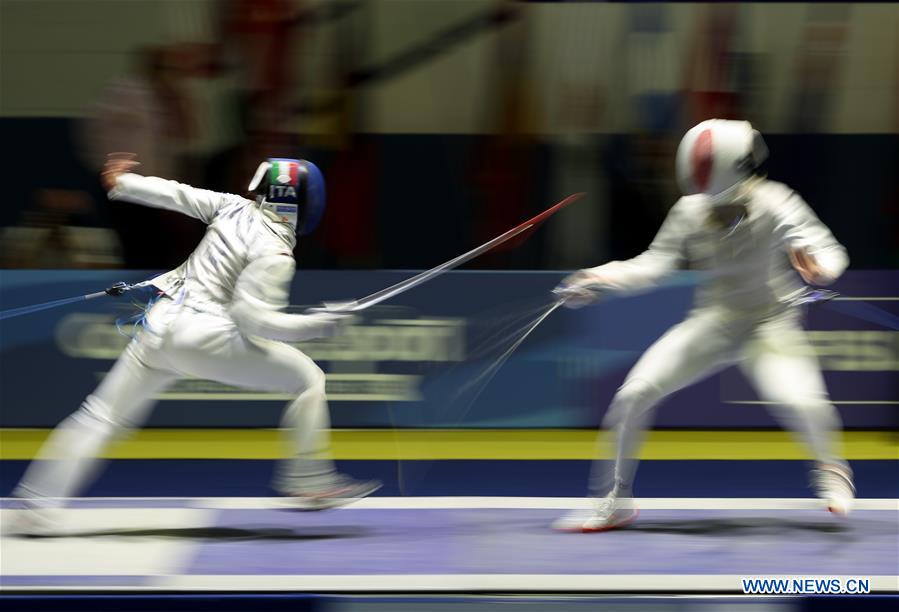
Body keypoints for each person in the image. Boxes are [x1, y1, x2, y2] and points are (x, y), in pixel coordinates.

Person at [12, 154, 379, 532]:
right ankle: (308, 481)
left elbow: (176, 194)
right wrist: (321, 324)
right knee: (307, 378)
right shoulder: (275, 253)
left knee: (100, 415)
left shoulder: (231, 206)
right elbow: (253, 320)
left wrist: (123, 183)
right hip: (203, 335)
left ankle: (36, 503)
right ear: (307, 202)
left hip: (159, 328)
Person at [553, 119, 855, 532]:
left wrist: (821, 269)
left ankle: (831, 469)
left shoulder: (778, 203)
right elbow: (654, 266)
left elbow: (829, 250)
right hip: (714, 322)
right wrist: (598, 279)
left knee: (803, 403)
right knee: (634, 394)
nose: (712, 207)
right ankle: (614, 500)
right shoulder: (690, 209)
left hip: (770, 325)